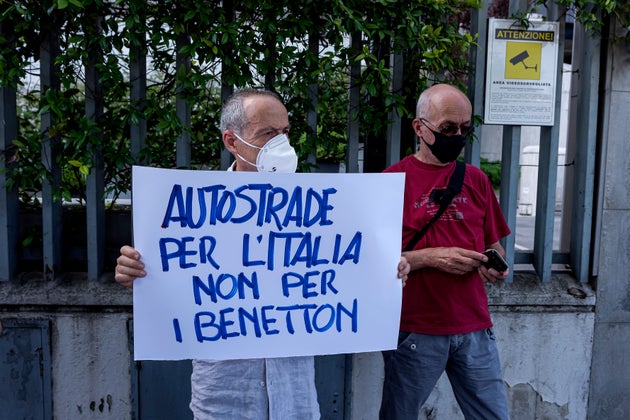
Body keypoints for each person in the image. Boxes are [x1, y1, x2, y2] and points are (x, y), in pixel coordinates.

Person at [115, 88, 411, 420]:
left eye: (284, 132)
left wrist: (387, 272)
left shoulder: (323, 211)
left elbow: (350, 270)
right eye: (268, 134)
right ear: (232, 142)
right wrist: (138, 273)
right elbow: (175, 283)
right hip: (224, 399)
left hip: (295, 399)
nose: (281, 144)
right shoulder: (192, 214)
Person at [379, 84, 511, 420]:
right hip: (414, 329)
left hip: (475, 327)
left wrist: (494, 266)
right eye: (448, 128)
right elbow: (372, 265)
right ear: (419, 127)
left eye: (465, 128)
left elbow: (495, 247)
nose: (458, 135)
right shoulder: (390, 182)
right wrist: (431, 257)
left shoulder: (476, 180)